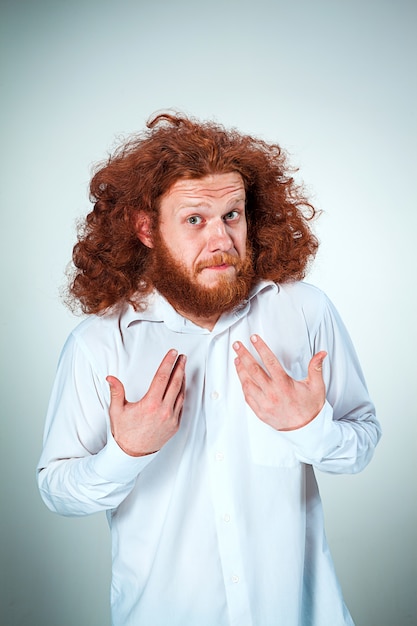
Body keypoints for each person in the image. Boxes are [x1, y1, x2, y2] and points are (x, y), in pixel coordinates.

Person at [37, 112, 381, 626]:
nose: (221, 240)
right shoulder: (99, 345)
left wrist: (309, 428)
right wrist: (125, 452)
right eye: (195, 219)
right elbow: (57, 491)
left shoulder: (305, 311)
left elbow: (363, 441)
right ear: (147, 229)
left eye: (232, 215)